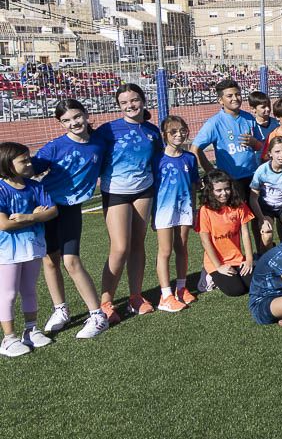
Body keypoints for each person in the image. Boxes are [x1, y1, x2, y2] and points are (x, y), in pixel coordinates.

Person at [29, 99, 107, 338]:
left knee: (71, 261)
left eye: (76, 116)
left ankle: (97, 315)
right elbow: (27, 169)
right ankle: (60, 309)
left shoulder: (100, 144)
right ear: (60, 123)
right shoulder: (54, 147)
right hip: (47, 208)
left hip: (71, 208)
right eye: (66, 120)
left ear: (85, 114)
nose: (74, 123)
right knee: (49, 260)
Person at [95, 83, 163, 321]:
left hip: (144, 191)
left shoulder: (153, 131)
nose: (130, 106)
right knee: (120, 247)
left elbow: (157, 164)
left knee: (137, 244)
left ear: (143, 101)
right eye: (124, 103)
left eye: (134, 100)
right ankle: (105, 302)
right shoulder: (108, 130)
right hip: (115, 191)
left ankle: (135, 297)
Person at [0, 142, 56, 357]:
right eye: (23, 161)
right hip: (7, 251)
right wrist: (34, 217)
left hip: (32, 246)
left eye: (28, 159)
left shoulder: (35, 186)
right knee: (8, 293)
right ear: (8, 164)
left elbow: (51, 212)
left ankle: (31, 329)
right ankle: (9, 338)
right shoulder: (1, 189)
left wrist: (28, 217)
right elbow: (4, 224)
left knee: (29, 290)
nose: (29, 163)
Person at [153, 116, 200, 312]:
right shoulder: (157, 160)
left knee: (182, 248)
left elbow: (193, 185)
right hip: (163, 211)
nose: (179, 134)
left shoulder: (190, 158)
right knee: (165, 251)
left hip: (184, 208)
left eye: (182, 130)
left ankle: (181, 288)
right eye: (173, 132)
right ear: (165, 135)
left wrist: (194, 208)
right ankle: (165, 295)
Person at [191, 79, 261, 196]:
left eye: (237, 94)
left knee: (255, 212)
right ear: (220, 100)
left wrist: (254, 143)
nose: (235, 98)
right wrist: (212, 173)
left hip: (252, 176)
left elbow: (260, 146)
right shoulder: (214, 123)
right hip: (230, 181)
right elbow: (195, 149)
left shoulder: (248, 117)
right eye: (229, 96)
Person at [197, 170, 256, 296]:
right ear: (210, 191)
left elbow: (245, 233)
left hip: (237, 259)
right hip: (217, 261)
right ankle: (208, 274)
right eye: (218, 190)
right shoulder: (205, 210)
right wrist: (219, 266)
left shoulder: (239, 206)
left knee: (253, 285)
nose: (224, 193)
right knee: (236, 290)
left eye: (227, 189)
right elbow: (205, 241)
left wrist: (249, 259)